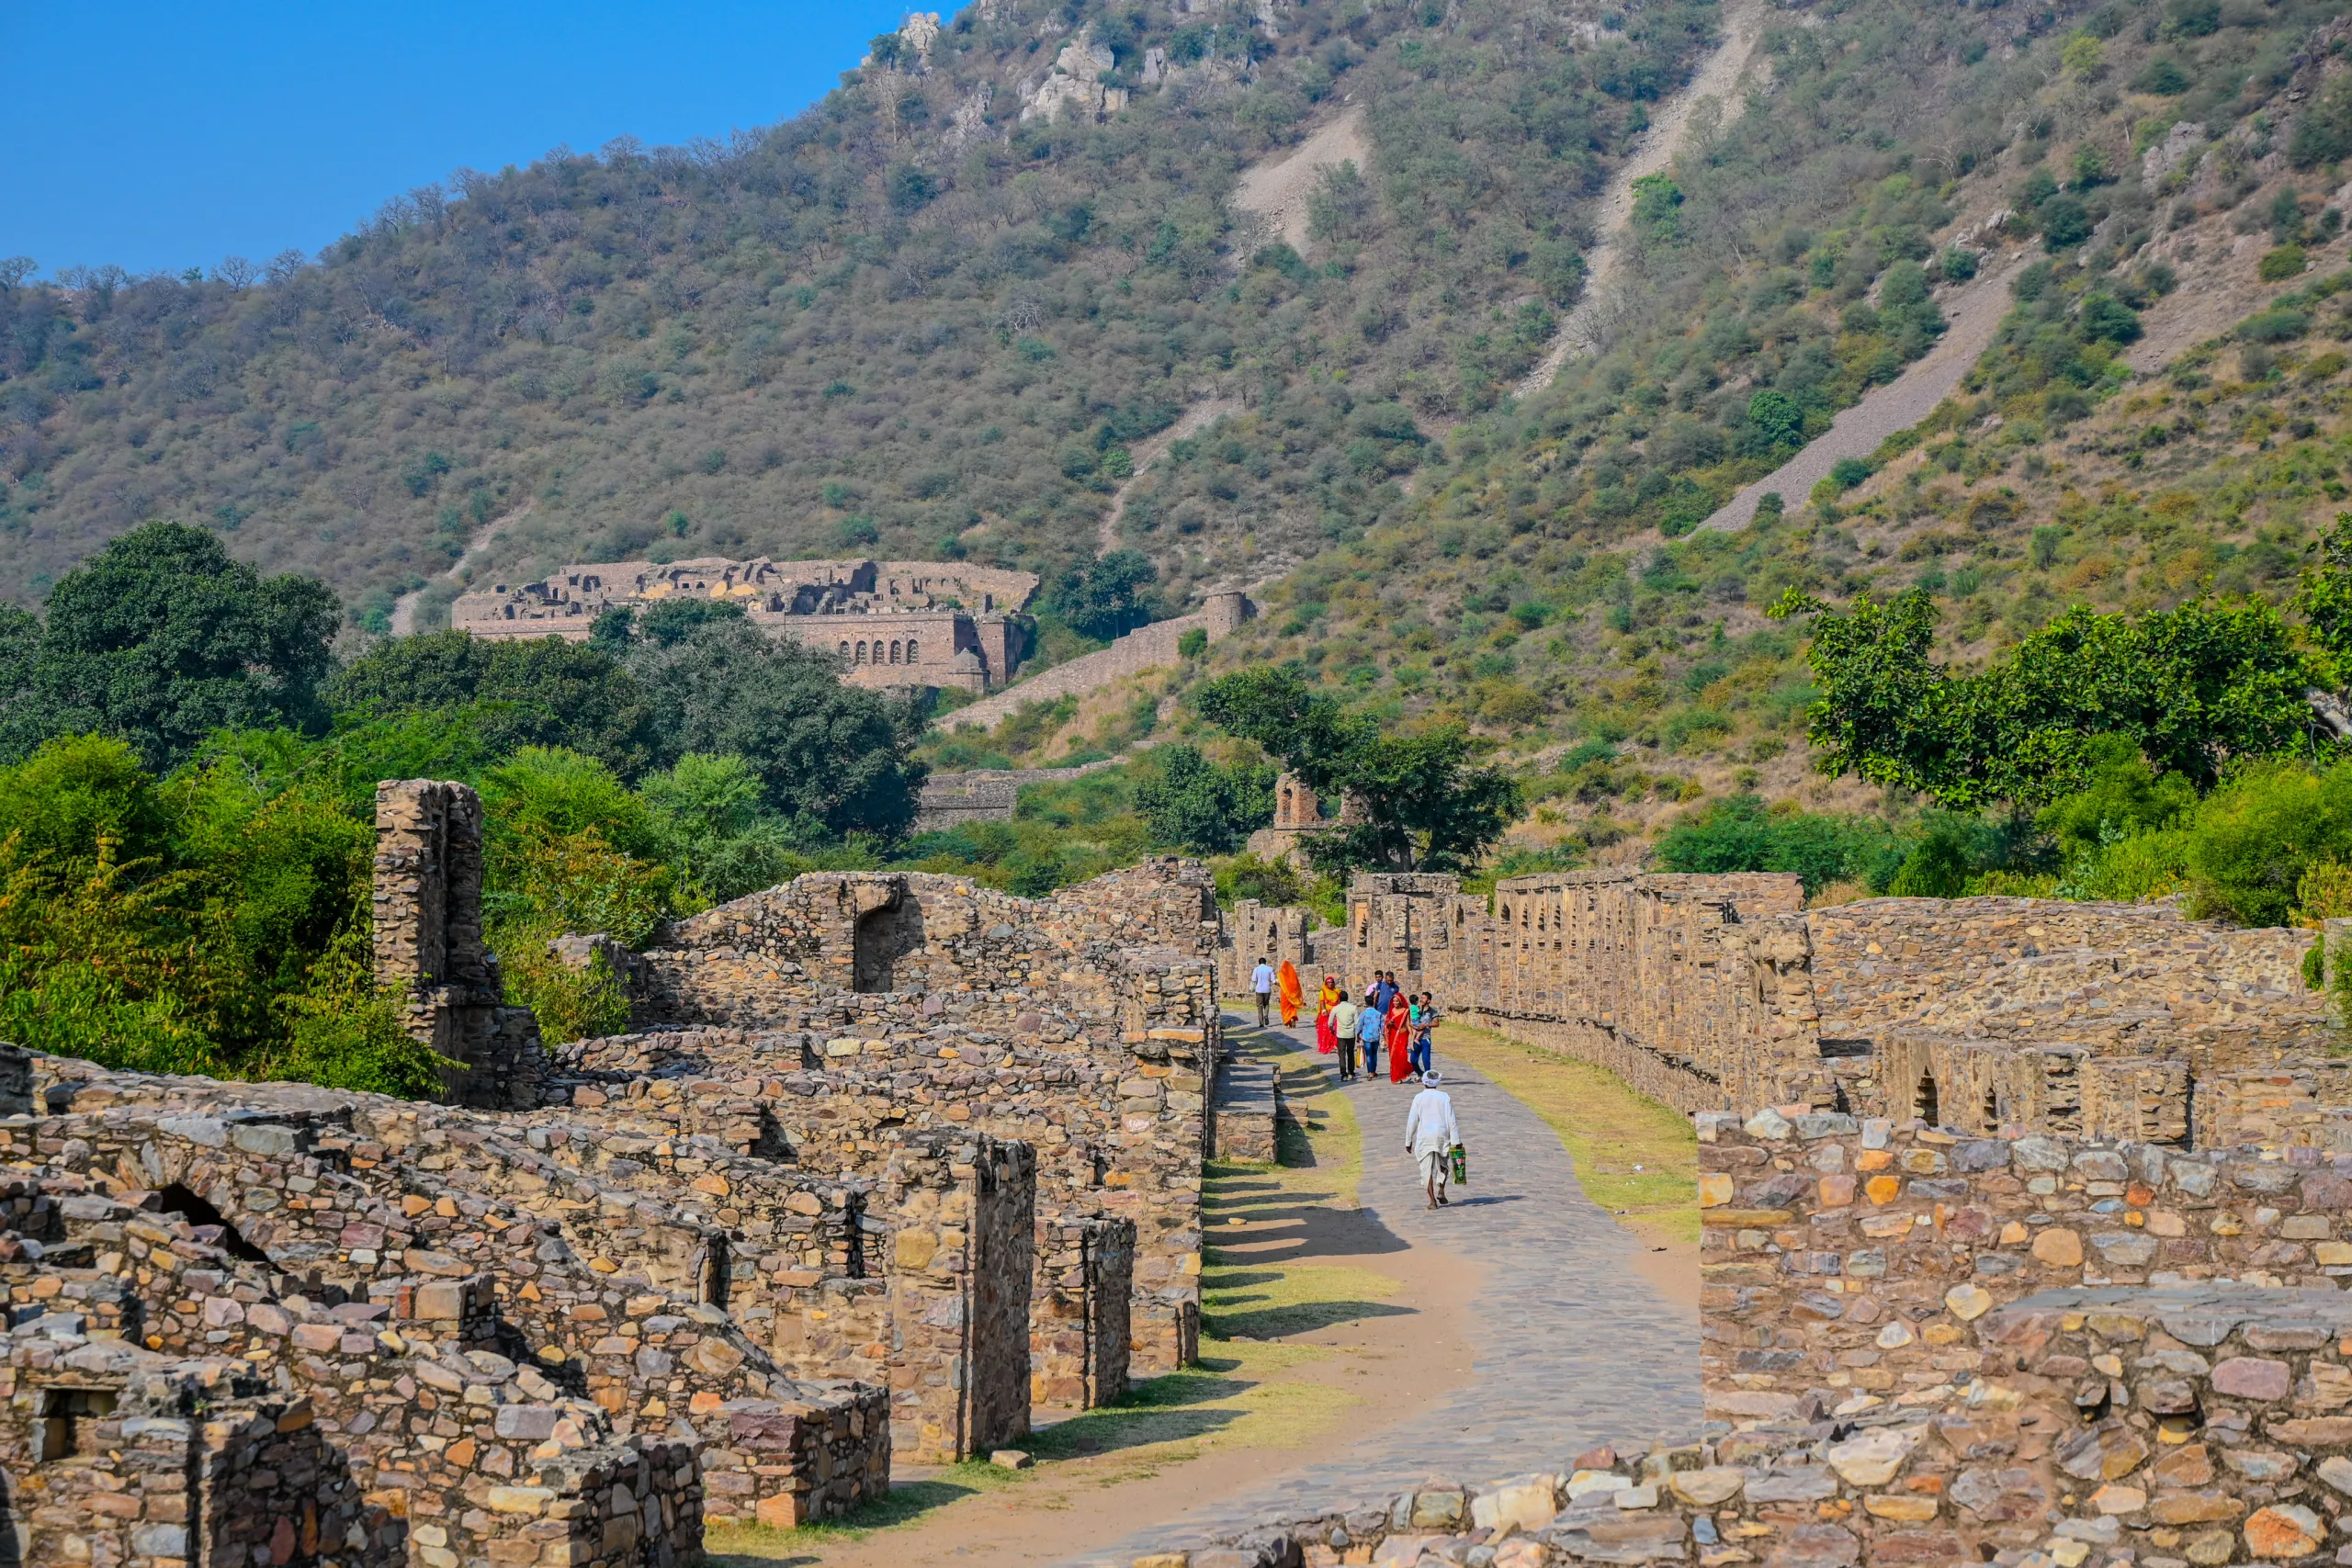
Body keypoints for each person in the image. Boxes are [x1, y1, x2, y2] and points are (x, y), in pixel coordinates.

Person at [1405, 1068, 1463, 1209]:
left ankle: (1432, 1201)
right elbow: (1452, 1120)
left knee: (1427, 1169)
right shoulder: (1444, 1097)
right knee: (1443, 1165)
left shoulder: (1418, 1098)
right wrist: (1456, 1141)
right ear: (1437, 1082)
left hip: (1425, 1137)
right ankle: (1441, 1190)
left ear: (1424, 1082)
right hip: (1442, 1135)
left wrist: (1408, 1141)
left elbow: (1412, 1120)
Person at [1329, 991, 1361, 1080]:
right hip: (1351, 1034)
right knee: (1350, 1054)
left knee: (1341, 1054)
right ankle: (1351, 1072)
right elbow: (1357, 1022)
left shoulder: (1336, 1008)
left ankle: (1344, 1074)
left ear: (1339, 998)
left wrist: (1332, 1030)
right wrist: (1358, 1034)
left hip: (1341, 1034)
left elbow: (1330, 1023)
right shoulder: (1353, 1008)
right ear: (1347, 998)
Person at [1385, 988, 1413, 1085]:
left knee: (1402, 1055)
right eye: (1394, 1001)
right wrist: (1389, 1023)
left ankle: (1405, 1072)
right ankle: (1396, 1077)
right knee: (1394, 1057)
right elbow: (1386, 1025)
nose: (1395, 1002)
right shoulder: (1391, 1011)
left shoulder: (1406, 1011)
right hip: (1393, 1035)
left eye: (1397, 1001)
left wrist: (1412, 1037)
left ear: (1400, 1001)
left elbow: (1408, 1024)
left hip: (1402, 1035)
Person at [1356, 990, 1385, 1080]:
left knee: (1369, 1055)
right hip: (1376, 1037)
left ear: (1366, 1003)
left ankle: (1370, 1072)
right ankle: (1374, 1070)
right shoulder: (1379, 1014)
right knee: (1374, 1054)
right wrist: (1383, 1035)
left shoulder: (1363, 1014)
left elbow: (1359, 1026)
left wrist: (1358, 1035)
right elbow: (1382, 1026)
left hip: (1367, 1037)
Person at [1314, 975, 1341, 1056]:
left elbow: (1339, 1001)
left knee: (1336, 1029)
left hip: (1336, 1012)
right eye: (1329, 982)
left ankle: (1336, 1045)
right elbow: (1322, 1002)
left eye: (1332, 982)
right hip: (1327, 1013)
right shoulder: (1323, 991)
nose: (1331, 984)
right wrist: (1323, 1010)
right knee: (1326, 1030)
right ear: (1326, 983)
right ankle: (1325, 1046)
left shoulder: (1337, 991)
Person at [1277, 959, 1304, 1028]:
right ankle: (1292, 1018)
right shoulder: (1293, 976)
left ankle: (1287, 1023)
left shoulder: (1281, 975)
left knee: (1285, 1008)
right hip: (1292, 994)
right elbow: (1296, 985)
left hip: (1284, 993)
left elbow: (1277, 983)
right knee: (1292, 1007)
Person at [1250, 956, 1275, 1028]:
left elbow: (1254, 979)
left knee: (1259, 1006)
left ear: (1259, 963)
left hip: (1259, 989)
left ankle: (1261, 1023)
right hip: (1267, 989)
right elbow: (1273, 980)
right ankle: (1266, 1015)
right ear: (1265, 962)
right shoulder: (1269, 969)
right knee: (1266, 1004)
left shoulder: (1256, 969)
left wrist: (1252, 988)